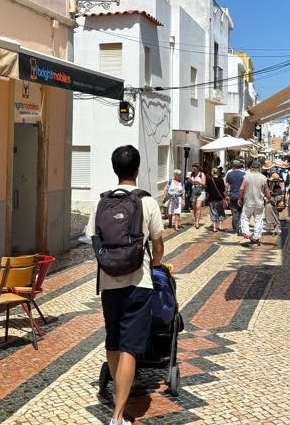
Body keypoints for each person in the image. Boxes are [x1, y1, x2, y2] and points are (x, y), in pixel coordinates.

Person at [86, 145, 164, 425]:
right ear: (138, 169)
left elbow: (92, 240)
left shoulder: (101, 203)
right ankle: (117, 414)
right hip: (138, 282)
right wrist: (156, 264)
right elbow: (157, 242)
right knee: (130, 346)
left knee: (113, 341)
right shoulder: (147, 202)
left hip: (109, 283)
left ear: (114, 168)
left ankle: (117, 394)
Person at [238, 159, 271, 246]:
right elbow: (267, 191)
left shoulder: (247, 176)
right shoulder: (263, 178)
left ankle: (246, 233)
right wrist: (269, 199)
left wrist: (240, 198)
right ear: (260, 168)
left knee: (245, 218)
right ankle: (256, 237)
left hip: (248, 202)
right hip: (259, 203)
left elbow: (241, 188)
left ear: (251, 167)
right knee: (258, 220)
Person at [224, 160, 245, 234]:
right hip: (241, 196)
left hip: (232, 195)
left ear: (233, 166)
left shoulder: (229, 174)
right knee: (241, 212)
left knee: (234, 212)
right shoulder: (244, 174)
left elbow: (226, 186)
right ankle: (240, 227)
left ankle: (236, 228)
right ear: (239, 166)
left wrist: (226, 195)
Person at [206, 167, 226, 232]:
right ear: (218, 172)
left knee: (213, 212)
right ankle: (220, 226)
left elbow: (207, 190)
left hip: (212, 198)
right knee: (221, 212)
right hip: (220, 198)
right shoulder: (221, 180)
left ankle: (214, 227)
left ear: (212, 172)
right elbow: (223, 190)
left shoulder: (209, 180)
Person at [188, 163, 206, 230]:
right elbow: (190, 183)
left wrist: (197, 182)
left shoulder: (202, 174)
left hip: (201, 192)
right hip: (194, 192)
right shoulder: (192, 174)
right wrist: (190, 181)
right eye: (193, 168)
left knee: (198, 207)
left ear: (198, 168)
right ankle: (195, 221)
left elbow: (204, 184)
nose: (193, 170)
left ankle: (197, 222)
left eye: (195, 168)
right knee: (194, 208)